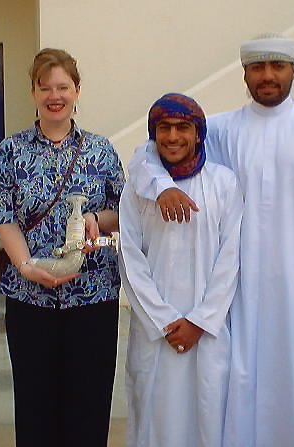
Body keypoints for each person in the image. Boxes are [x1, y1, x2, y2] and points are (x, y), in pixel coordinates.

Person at [128, 34, 294, 447]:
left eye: (277, 66)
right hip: (241, 294)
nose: (267, 76)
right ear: (244, 73)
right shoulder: (224, 130)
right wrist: (160, 187)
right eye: (257, 68)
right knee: (240, 391)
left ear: (293, 71)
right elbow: (149, 153)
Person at [0, 48, 125, 447]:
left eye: (63, 86)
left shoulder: (101, 150)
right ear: (32, 92)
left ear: (77, 90)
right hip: (29, 298)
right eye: (44, 86)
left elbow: (124, 208)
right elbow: (5, 216)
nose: (54, 94)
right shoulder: (11, 152)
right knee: (35, 405)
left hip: (92, 297)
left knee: (90, 403)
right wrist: (26, 265)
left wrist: (100, 221)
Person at [119, 93, 242, 447]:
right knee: (153, 423)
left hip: (208, 333)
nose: (173, 137)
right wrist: (164, 321)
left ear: (198, 133)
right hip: (155, 334)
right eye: (164, 128)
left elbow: (230, 258)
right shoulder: (138, 190)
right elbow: (130, 257)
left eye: (182, 127)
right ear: (153, 133)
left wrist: (199, 321)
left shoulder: (224, 183)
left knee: (208, 420)